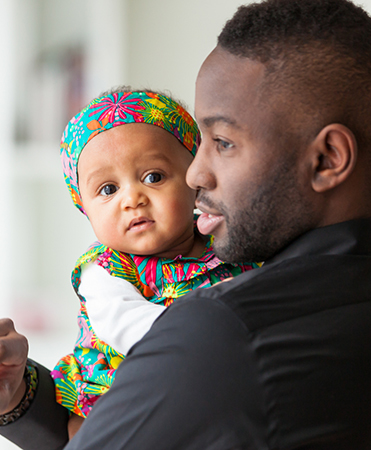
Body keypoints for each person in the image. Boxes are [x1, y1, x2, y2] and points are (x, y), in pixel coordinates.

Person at [0, 1, 371, 449]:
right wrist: (20, 402)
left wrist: (20, 409)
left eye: (223, 142)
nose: (196, 171)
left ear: (327, 158)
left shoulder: (222, 332)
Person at [52, 88, 258, 437]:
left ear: (194, 180)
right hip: (122, 391)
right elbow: (126, 324)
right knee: (85, 430)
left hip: (212, 390)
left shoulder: (225, 243)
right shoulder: (103, 269)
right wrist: (210, 336)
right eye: (107, 189)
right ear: (83, 207)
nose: (132, 198)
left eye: (153, 177)